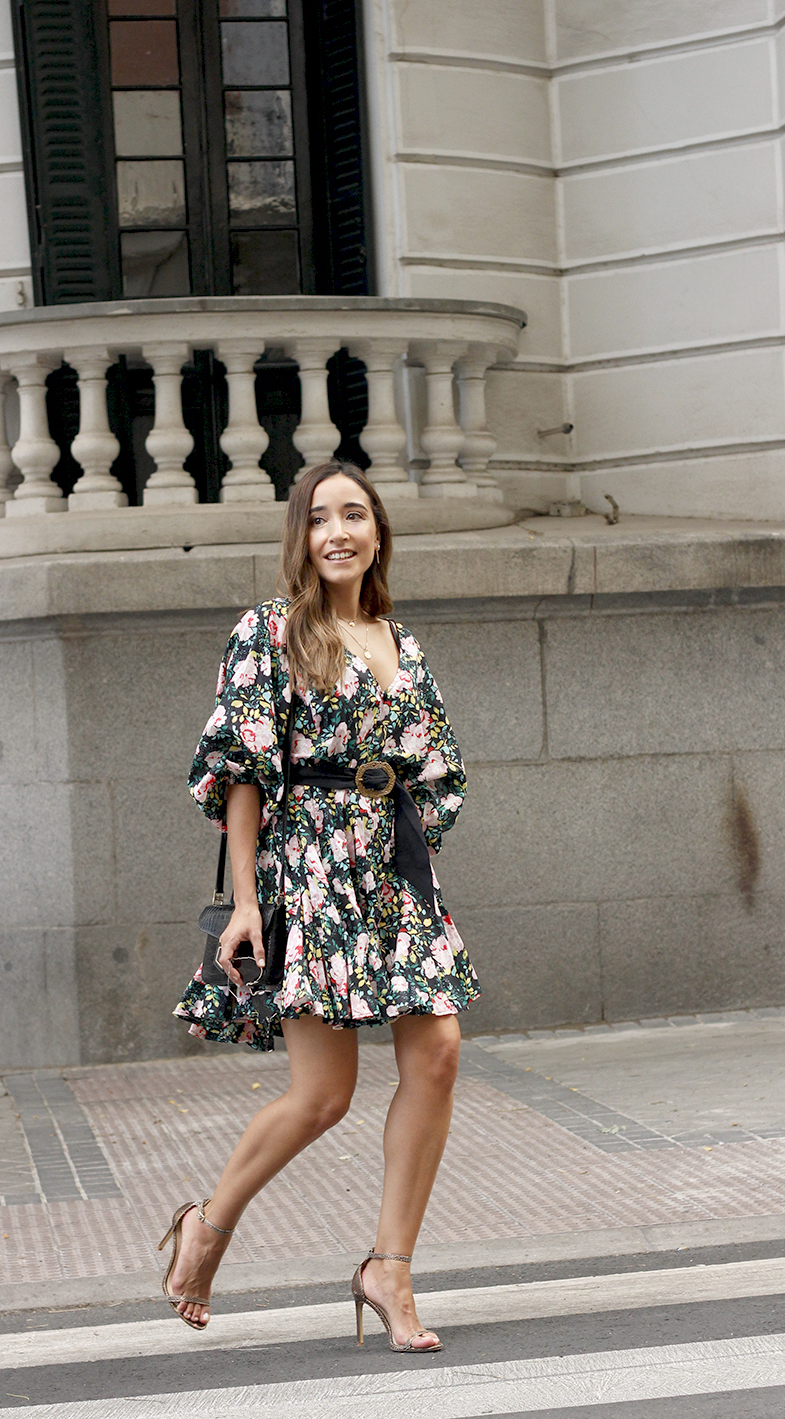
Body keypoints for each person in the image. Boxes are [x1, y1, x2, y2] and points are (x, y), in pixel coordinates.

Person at [161, 459, 480, 1353]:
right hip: (305, 868)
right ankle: (207, 1225)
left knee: (440, 1052)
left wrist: (404, 847)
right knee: (323, 1092)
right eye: (319, 518)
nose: (338, 531)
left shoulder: (398, 640)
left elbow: (436, 768)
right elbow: (242, 776)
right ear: (300, 537)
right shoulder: (269, 632)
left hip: (392, 870)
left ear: (378, 533)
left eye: (355, 515)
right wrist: (247, 903)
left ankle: (391, 1265)